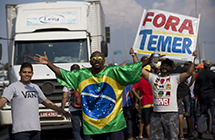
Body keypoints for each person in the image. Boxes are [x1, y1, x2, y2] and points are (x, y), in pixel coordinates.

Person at [34, 50, 147, 140]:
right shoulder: (82, 74)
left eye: (99, 58)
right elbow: (64, 74)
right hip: (95, 124)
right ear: (90, 61)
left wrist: (149, 61)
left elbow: (132, 69)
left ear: (104, 61)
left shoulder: (113, 71)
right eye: (94, 58)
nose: (96, 60)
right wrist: (48, 63)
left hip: (114, 123)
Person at [0, 62, 71, 140]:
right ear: (19, 73)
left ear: (32, 74)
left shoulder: (35, 87)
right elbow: (3, 100)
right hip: (20, 130)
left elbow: (47, 102)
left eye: (29, 72)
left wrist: (62, 111)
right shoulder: (13, 87)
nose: (27, 74)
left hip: (35, 129)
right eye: (24, 72)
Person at [140, 50, 197, 140]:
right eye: (163, 65)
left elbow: (188, 73)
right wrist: (136, 57)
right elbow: (139, 69)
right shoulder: (153, 77)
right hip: (156, 114)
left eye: (167, 65)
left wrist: (193, 59)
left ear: (171, 68)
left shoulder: (175, 78)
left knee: (172, 138)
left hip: (171, 114)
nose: (164, 67)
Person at [61, 64, 90, 140]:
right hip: (85, 109)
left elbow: (64, 97)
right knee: (86, 129)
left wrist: (62, 109)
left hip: (73, 109)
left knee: (76, 130)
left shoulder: (68, 82)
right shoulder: (84, 81)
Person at [131, 57, 153, 139]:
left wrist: (139, 98)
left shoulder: (140, 79)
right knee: (152, 120)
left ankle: (147, 136)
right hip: (153, 101)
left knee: (145, 121)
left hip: (145, 102)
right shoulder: (153, 78)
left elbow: (133, 89)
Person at [194, 59, 215, 139]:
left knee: (203, 114)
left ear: (204, 65)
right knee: (214, 115)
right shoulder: (213, 75)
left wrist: (197, 95)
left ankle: (200, 129)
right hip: (212, 96)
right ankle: (214, 133)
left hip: (202, 97)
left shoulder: (199, 75)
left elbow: (196, 87)